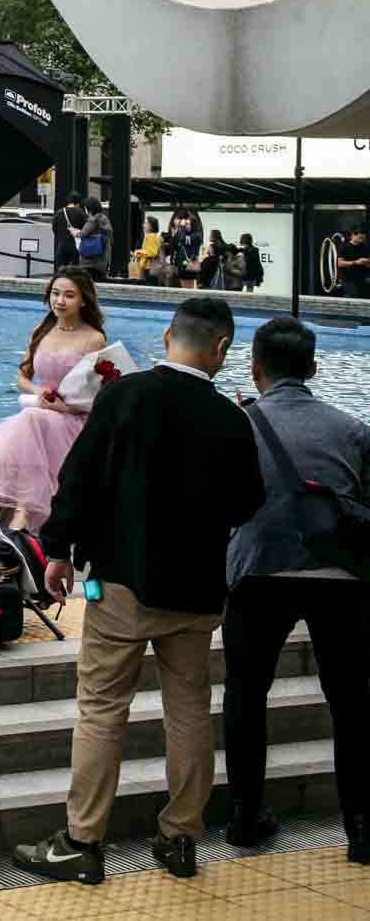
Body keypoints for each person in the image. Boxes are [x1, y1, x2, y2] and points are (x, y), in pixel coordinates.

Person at [13, 296, 265, 886]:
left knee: (101, 708)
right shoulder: (230, 417)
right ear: (222, 349)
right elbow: (248, 504)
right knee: (189, 713)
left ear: (167, 337)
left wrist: (58, 551)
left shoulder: (124, 395)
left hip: (122, 581)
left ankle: (83, 840)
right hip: (198, 591)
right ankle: (180, 838)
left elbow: (79, 478)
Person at [221, 318, 370, 863]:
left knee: (245, 693)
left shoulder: (238, 424)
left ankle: (243, 816)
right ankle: (361, 827)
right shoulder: (352, 428)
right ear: (313, 368)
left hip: (258, 573)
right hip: (340, 577)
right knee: (352, 703)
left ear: (254, 366)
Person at [0, 271, 110, 534]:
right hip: (41, 410)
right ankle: (18, 509)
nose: (60, 300)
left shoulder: (94, 338)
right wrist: (38, 390)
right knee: (31, 420)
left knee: (29, 420)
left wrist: (66, 406)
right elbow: (22, 377)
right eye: (56, 293)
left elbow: (98, 393)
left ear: (83, 301)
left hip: (74, 417)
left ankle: (11, 506)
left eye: (69, 295)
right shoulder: (41, 330)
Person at [341, 220, 370, 299]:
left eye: (363, 237)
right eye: (360, 237)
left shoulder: (366, 247)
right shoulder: (345, 247)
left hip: (363, 279)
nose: (362, 239)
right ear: (353, 235)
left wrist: (366, 262)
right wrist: (355, 262)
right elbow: (339, 263)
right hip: (349, 280)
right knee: (353, 298)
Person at [129, 217, 163, 284]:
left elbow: (152, 252)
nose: (143, 225)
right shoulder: (153, 236)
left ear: (151, 226)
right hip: (148, 268)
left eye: (146, 223)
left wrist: (138, 252)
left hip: (149, 267)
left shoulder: (151, 236)